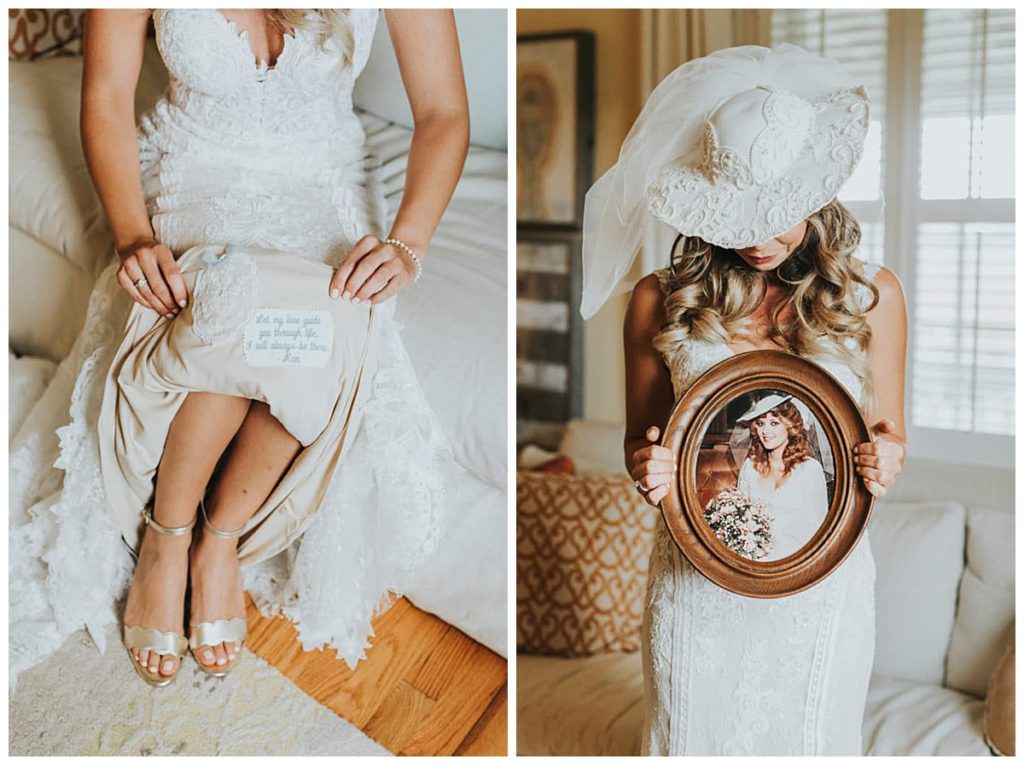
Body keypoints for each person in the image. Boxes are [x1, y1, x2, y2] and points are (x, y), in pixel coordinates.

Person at [9, 9, 469, 688]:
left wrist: (407, 243)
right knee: (231, 303)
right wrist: (134, 235)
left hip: (322, 183)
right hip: (197, 170)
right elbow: (106, 93)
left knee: (323, 323)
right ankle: (166, 538)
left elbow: (443, 111)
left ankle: (217, 538)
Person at [581, 45, 907, 754]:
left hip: (823, 582)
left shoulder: (874, 297)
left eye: (777, 212)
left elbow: (890, 435)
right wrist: (646, 465)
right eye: (738, 215)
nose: (758, 238)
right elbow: (642, 440)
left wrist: (886, 457)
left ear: (817, 192)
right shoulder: (657, 300)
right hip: (696, 583)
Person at [733, 393, 830, 561]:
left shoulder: (810, 469)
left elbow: (819, 527)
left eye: (774, 423)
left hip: (798, 559)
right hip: (755, 558)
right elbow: (742, 517)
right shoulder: (750, 466)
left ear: (789, 427)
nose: (765, 431)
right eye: (760, 423)